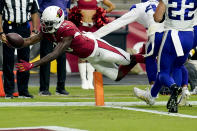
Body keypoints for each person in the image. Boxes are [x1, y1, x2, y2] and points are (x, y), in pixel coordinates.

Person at [14, 6, 136, 83]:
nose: (46, 26)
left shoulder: (67, 29)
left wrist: (32, 64)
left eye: (50, 23)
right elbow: (28, 41)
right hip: (90, 57)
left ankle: (147, 57)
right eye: (45, 22)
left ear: (59, 21)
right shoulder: (47, 31)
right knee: (117, 77)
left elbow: (55, 53)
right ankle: (140, 58)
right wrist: (9, 42)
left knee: (127, 60)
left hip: (97, 47)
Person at [69, 0, 115, 89]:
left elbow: (112, 6)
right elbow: (67, 6)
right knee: (82, 54)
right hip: (81, 27)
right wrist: (73, 14)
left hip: (93, 27)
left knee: (92, 53)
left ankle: (90, 81)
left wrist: (101, 13)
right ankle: (84, 81)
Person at [0, 0, 39, 98]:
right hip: (9, 26)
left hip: (24, 27)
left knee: (24, 59)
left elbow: (34, 12)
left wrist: (34, 30)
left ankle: (23, 91)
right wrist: (1, 32)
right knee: (8, 60)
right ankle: (9, 91)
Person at [38, 0, 71, 96]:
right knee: (46, 56)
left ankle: (61, 88)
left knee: (62, 57)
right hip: (48, 24)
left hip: (63, 24)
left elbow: (67, 9)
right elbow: (38, 7)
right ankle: (44, 88)